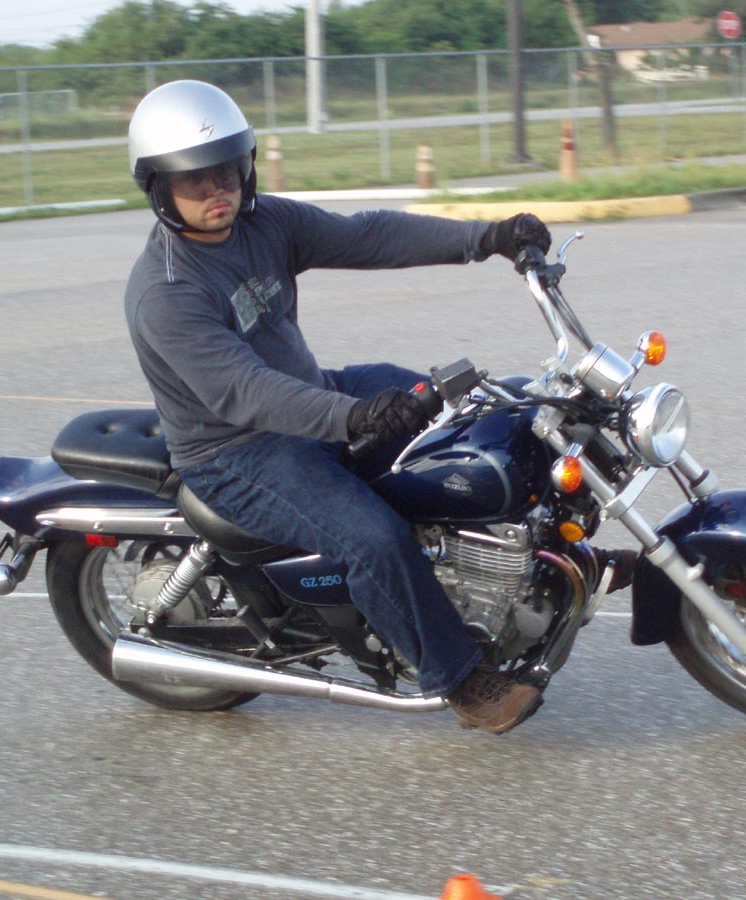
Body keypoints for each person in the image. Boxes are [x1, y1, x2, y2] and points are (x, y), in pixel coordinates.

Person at [124, 80, 630, 735]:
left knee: (464, 415)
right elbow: (244, 391)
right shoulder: (166, 291)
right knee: (372, 536)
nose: (216, 189)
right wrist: (351, 417)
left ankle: (534, 556)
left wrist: (489, 237)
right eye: (194, 179)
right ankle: (459, 678)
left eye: (227, 170)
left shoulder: (262, 222)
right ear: (159, 188)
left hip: (307, 391)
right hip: (236, 449)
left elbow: (367, 235)